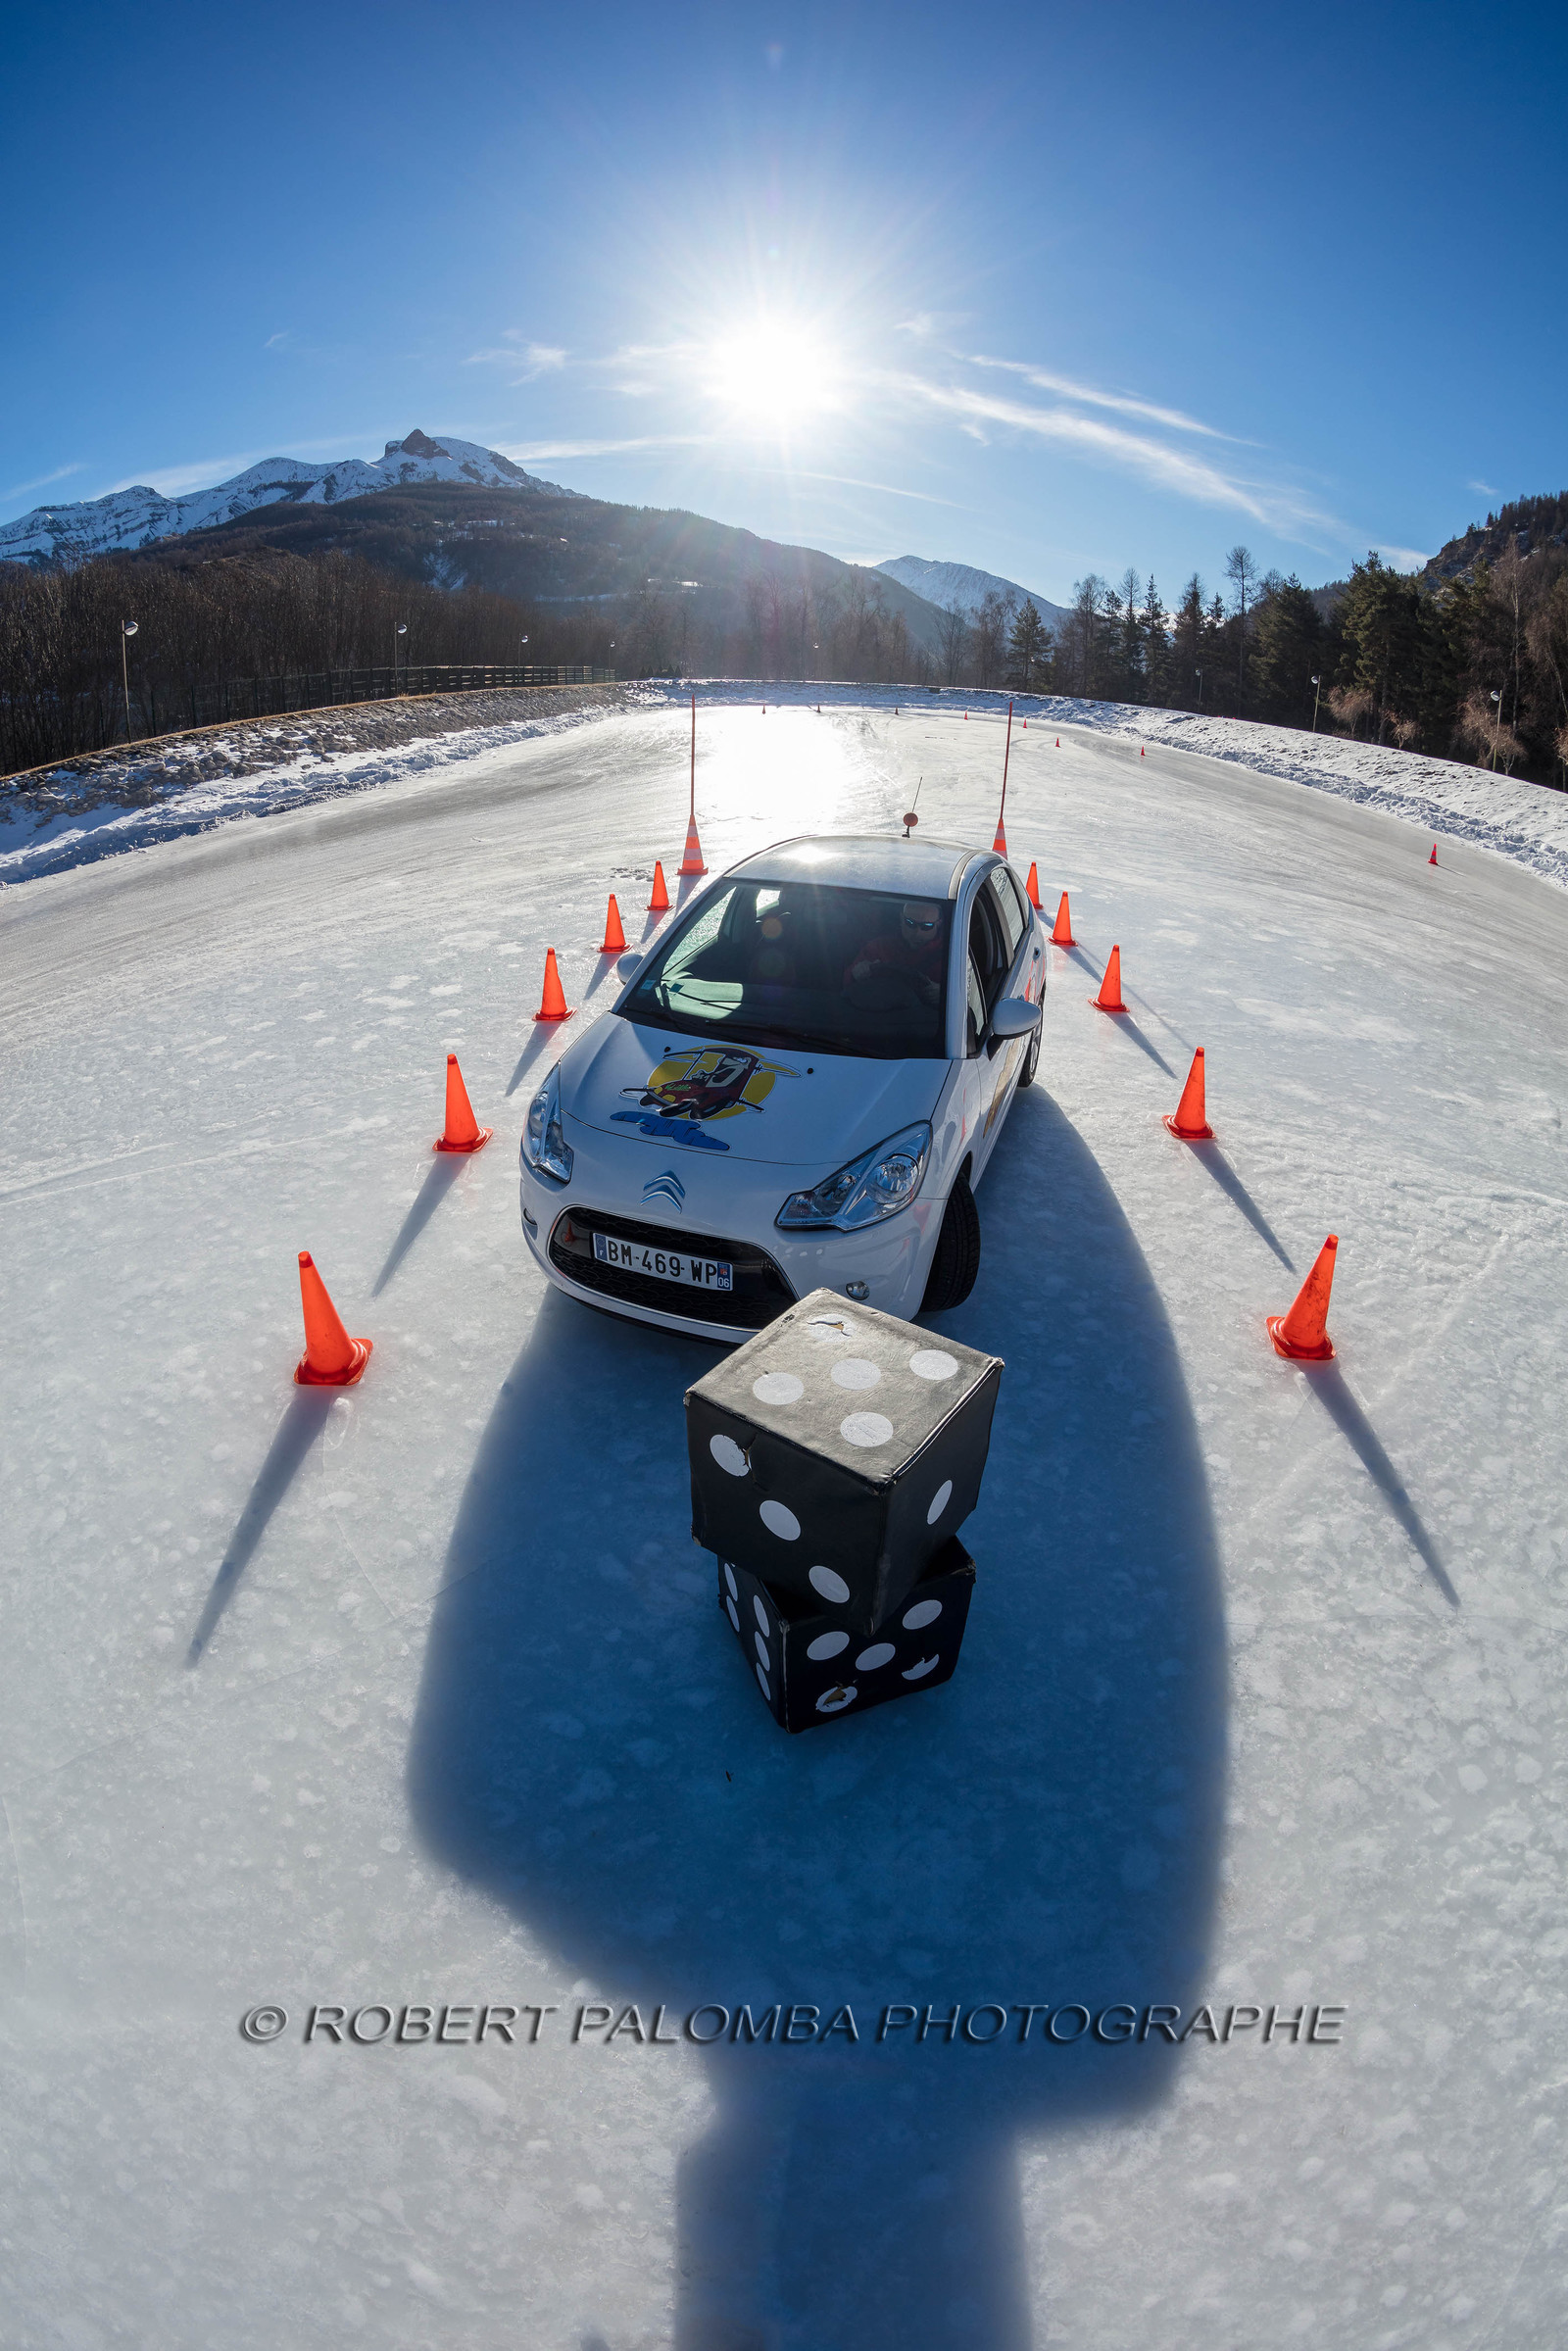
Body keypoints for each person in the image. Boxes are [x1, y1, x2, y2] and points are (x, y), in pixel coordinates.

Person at [844, 899, 946, 1004]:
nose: (917, 933)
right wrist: (855, 974)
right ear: (901, 919)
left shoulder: (952, 954)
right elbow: (846, 984)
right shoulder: (879, 947)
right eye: (910, 923)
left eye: (926, 926)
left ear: (938, 924)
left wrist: (944, 994)